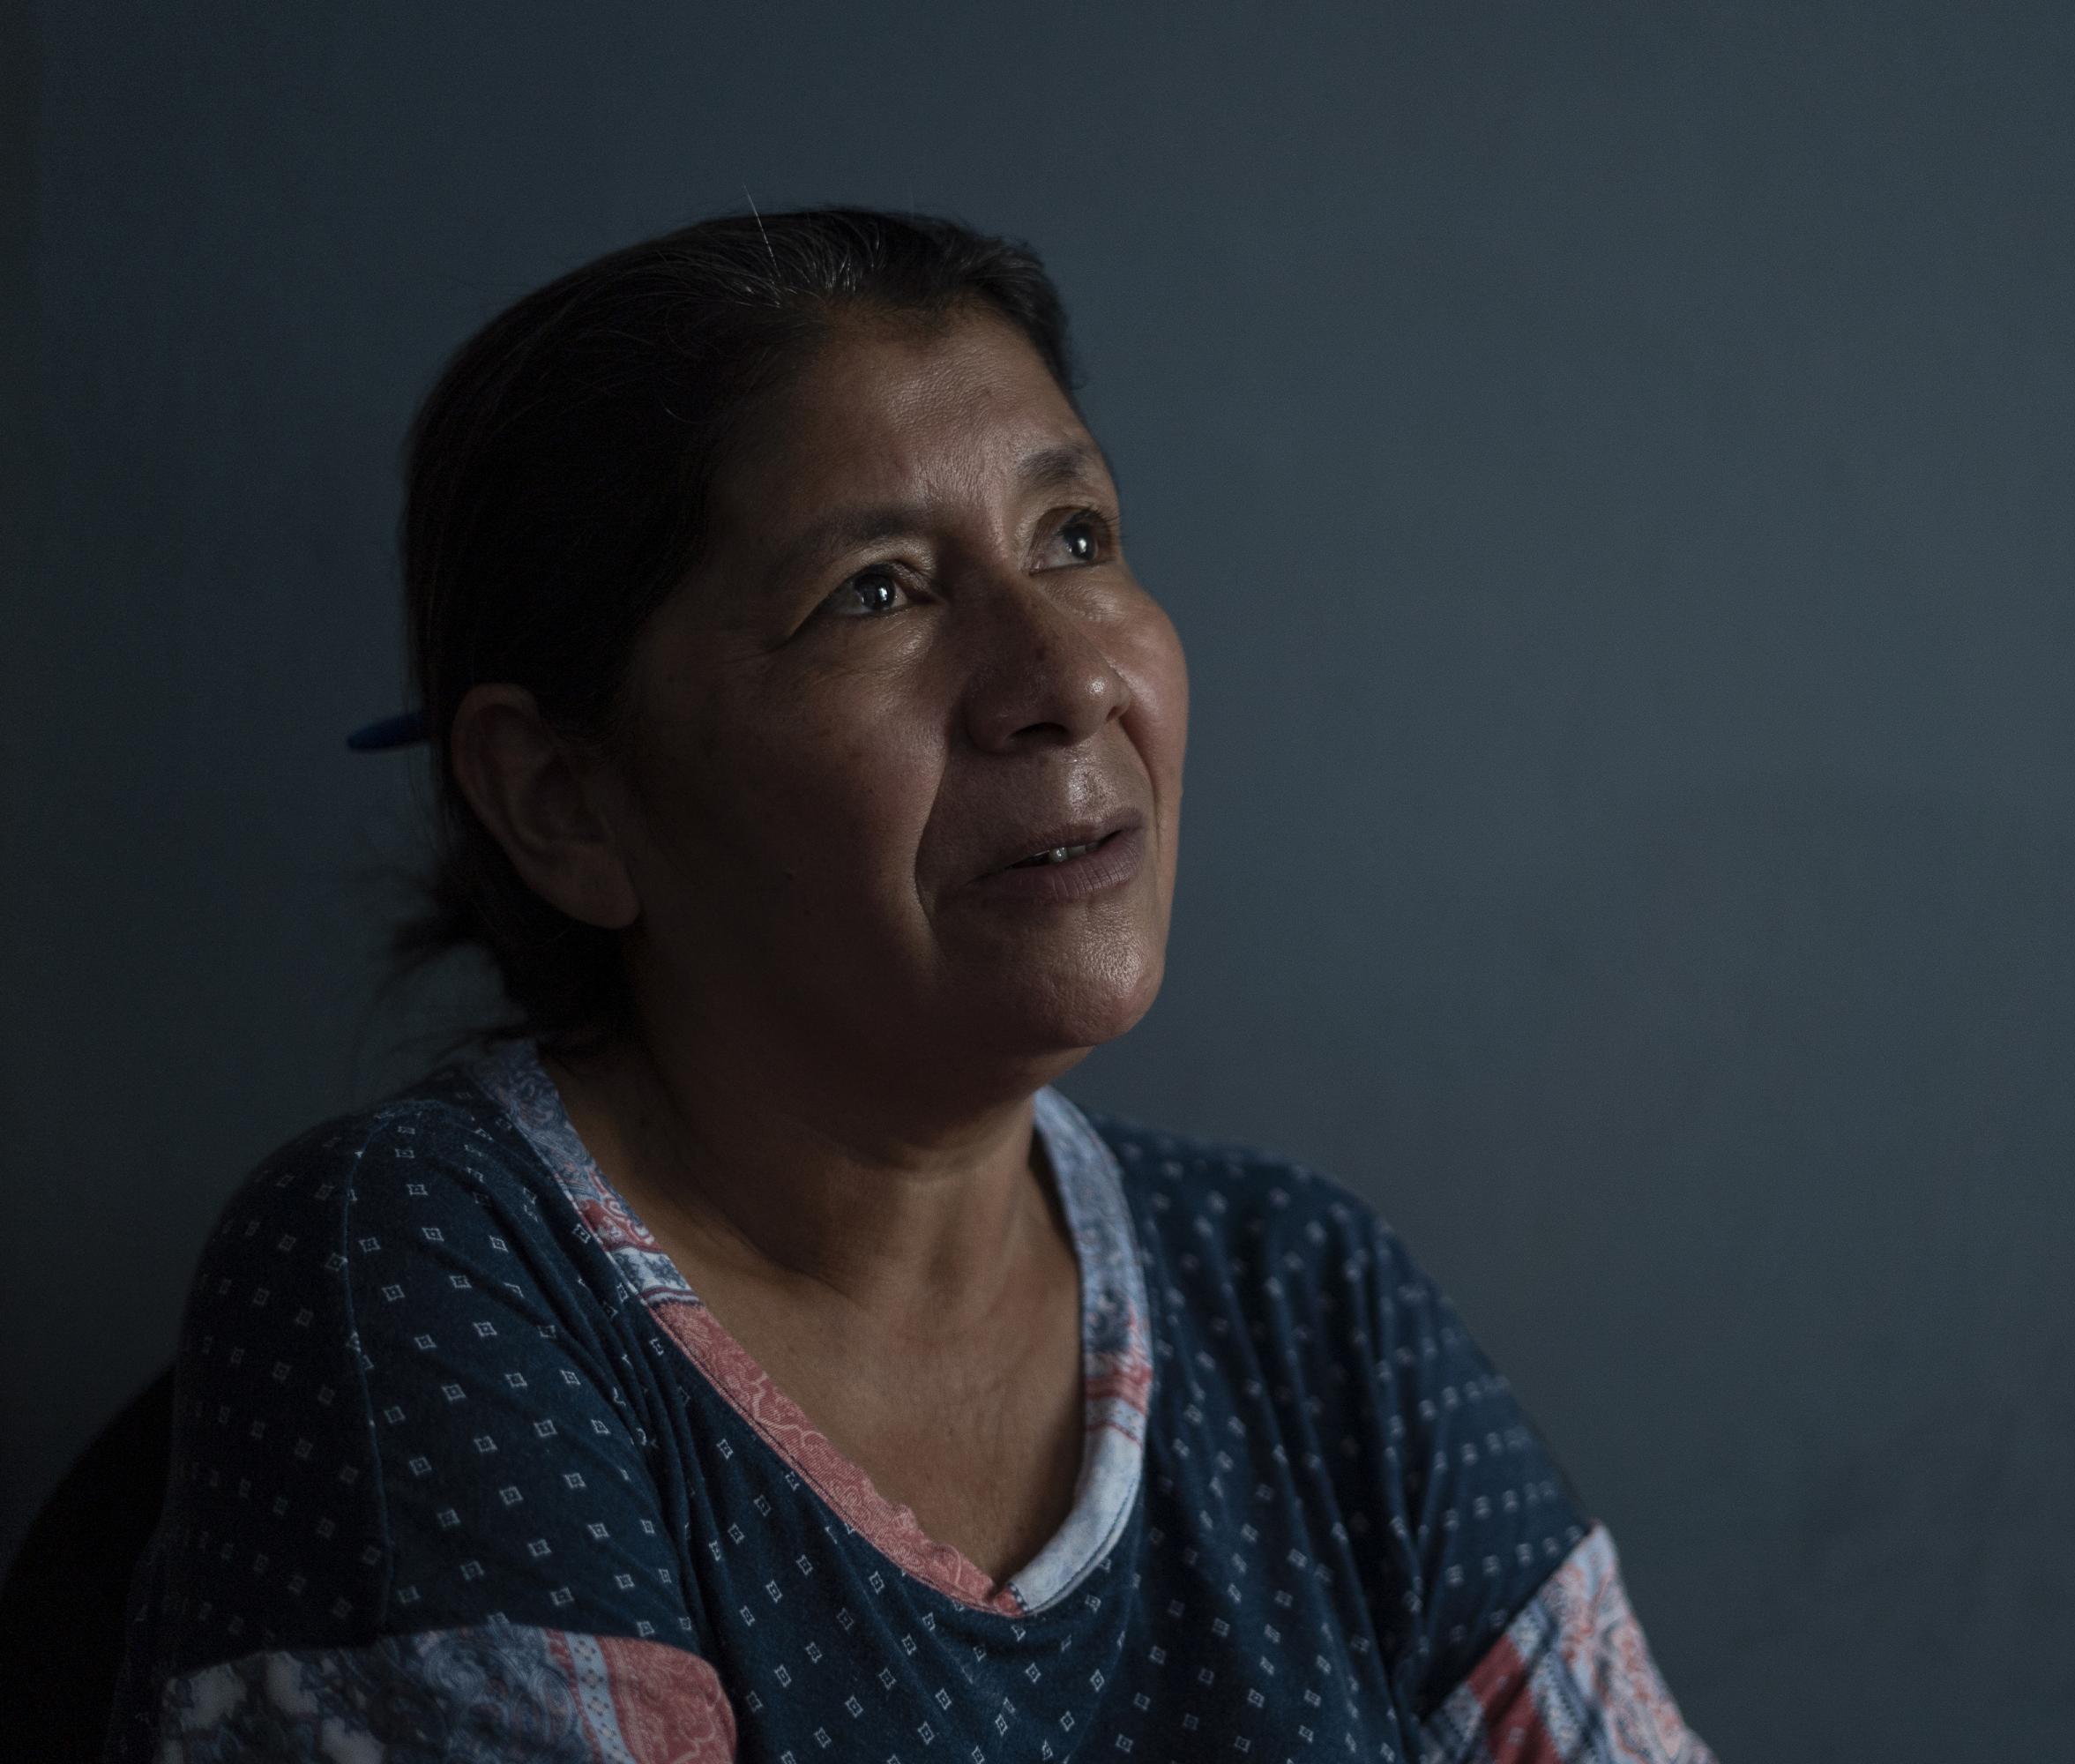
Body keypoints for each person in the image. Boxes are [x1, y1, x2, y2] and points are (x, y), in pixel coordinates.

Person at [105, 207, 1713, 1763]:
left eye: (1073, 539)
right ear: (564, 803)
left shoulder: (1303, 1300)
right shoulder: (428, 1272)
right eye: (875, 588)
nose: (1068, 677)